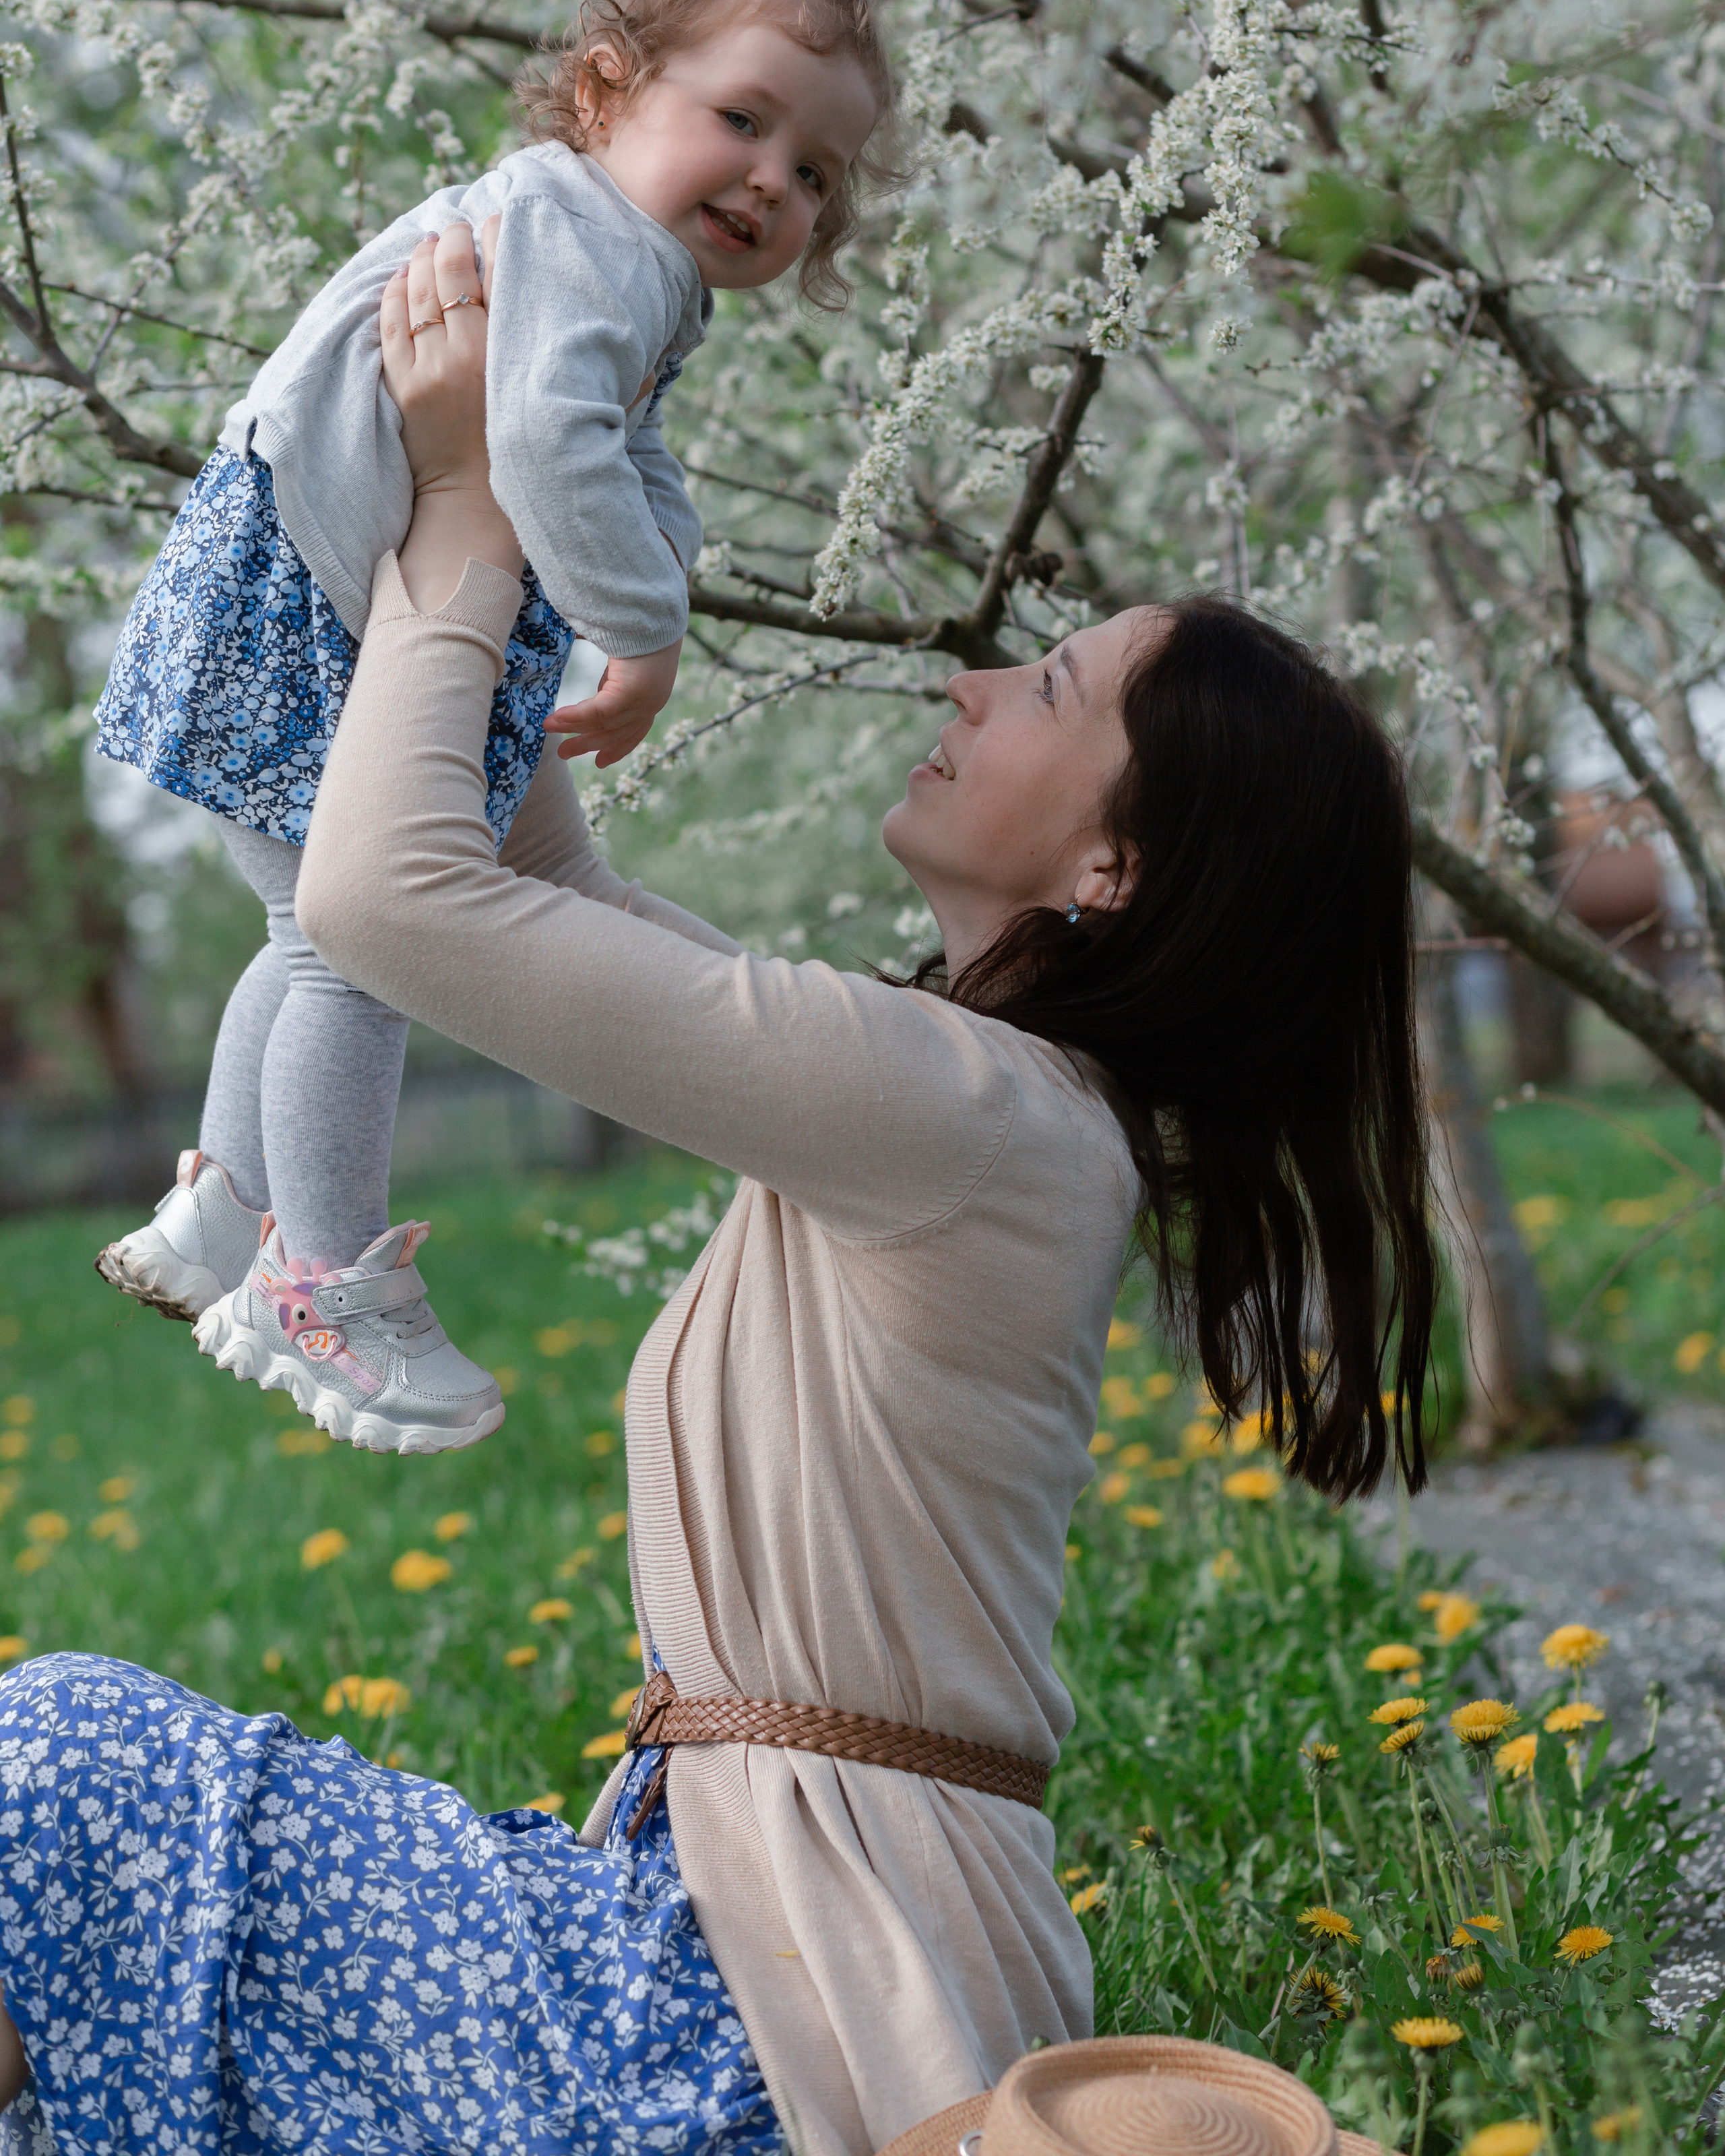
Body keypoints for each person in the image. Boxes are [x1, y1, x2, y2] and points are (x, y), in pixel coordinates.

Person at [0, 226, 1438, 2155]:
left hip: (766, 2013)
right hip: (737, 1951)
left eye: (1053, 689)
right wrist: (489, 503)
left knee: (61, 1770)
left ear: (1115, 868)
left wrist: (465, 507)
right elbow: (542, 896)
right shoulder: (968, 1095)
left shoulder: (968, 1111)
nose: (975, 675)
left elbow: (383, 904)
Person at [88, 0, 892, 1457]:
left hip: (287, 571)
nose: (770, 182)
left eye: (814, 173)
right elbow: (533, 441)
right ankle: (321, 1280)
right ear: (607, 92)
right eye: (740, 120)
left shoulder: (600, 246)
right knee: (361, 941)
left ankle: (223, 1215)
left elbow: (624, 460)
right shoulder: (586, 241)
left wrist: (654, 609)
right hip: (319, 594)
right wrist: (643, 629)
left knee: (302, 921)